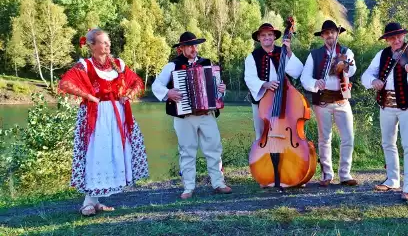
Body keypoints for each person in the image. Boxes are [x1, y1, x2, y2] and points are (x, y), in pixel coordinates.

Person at [58, 28, 149, 216]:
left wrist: (128, 96)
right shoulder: (85, 65)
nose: (107, 45)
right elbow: (66, 83)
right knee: (95, 153)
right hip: (96, 114)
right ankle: (88, 202)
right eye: (103, 42)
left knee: (110, 152)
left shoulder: (118, 64)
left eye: (108, 42)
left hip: (117, 114)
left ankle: (93, 201)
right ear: (92, 45)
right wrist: (89, 96)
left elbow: (136, 82)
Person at [152, 32, 231, 200]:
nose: (194, 49)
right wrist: (169, 92)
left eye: (195, 45)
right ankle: (188, 187)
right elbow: (156, 86)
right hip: (184, 116)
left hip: (206, 114)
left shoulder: (207, 63)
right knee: (187, 150)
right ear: (181, 49)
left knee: (214, 148)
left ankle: (218, 183)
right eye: (190, 46)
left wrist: (221, 90)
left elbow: (217, 91)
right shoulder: (173, 66)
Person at [361, 22, 408, 201]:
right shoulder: (381, 55)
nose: (397, 40)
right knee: (388, 143)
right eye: (392, 38)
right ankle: (392, 179)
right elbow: (366, 75)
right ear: (387, 40)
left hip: (406, 106)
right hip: (385, 105)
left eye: (399, 37)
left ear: (404, 37)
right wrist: (373, 82)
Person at [300, 20, 357, 187]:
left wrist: (345, 65)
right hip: (322, 101)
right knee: (325, 138)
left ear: (336, 34)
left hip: (341, 100)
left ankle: (345, 174)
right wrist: (315, 83)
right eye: (326, 33)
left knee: (348, 137)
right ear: (323, 36)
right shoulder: (315, 55)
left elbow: (352, 70)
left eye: (332, 32)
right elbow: (305, 78)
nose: (329, 36)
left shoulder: (346, 51)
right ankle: (327, 174)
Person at [244, 23, 304, 140]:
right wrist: (265, 84)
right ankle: (262, 157)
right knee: (261, 133)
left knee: (286, 130)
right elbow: (249, 78)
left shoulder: (283, 52)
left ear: (274, 37)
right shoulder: (252, 56)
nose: (267, 37)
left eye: (270, 34)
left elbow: (297, 71)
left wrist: (289, 52)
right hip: (261, 99)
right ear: (258, 38)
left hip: (283, 99)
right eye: (263, 35)